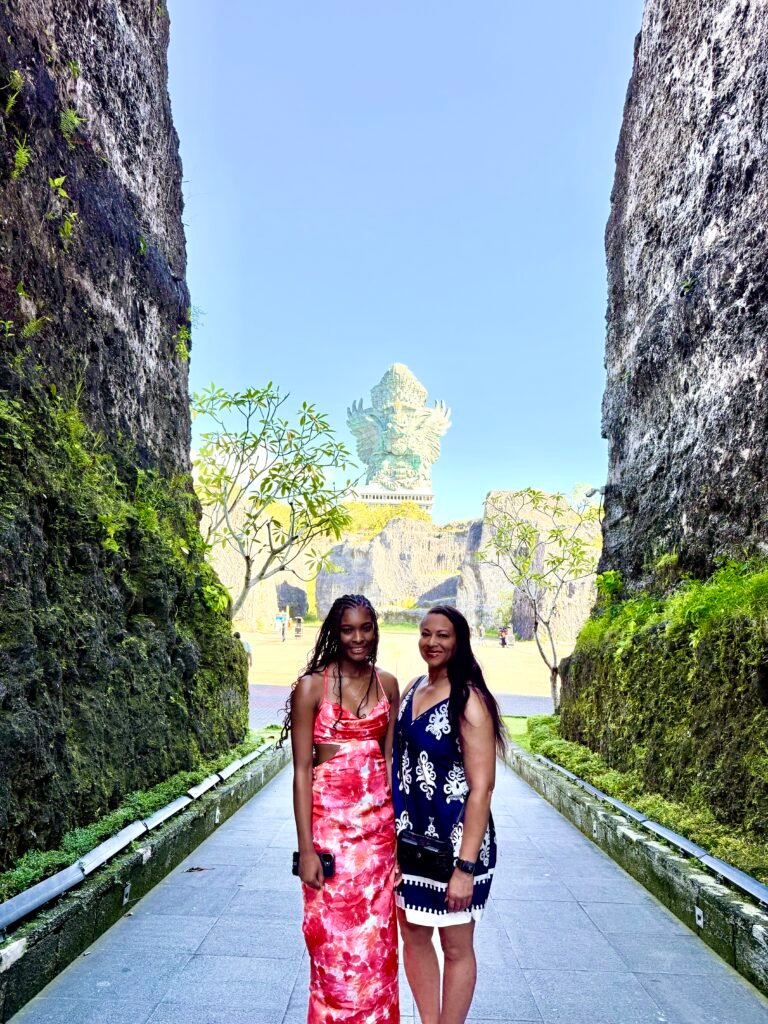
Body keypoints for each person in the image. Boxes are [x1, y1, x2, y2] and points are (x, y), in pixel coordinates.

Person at [282, 594, 400, 1023]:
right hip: (330, 839)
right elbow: (302, 771)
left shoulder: (387, 684)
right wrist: (306, 850)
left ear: (375, 630)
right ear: (335, 632)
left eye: (365, 628)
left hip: (378, 843)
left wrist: (398, 843)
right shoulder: (311, 687)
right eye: (348, 629)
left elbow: (389, 762)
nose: (358, 638)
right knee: (332, 952)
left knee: (378, 954)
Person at [394, 605, 506, 1024]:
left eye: (443, 635)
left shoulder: (469, 700)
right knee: (414, 936)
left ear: (459, 641)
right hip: (411, 842)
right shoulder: (412, 688)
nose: (432, 642)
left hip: (457, 845)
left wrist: (465, 867)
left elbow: (482, 787)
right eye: (426, 633)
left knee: (456, 946)